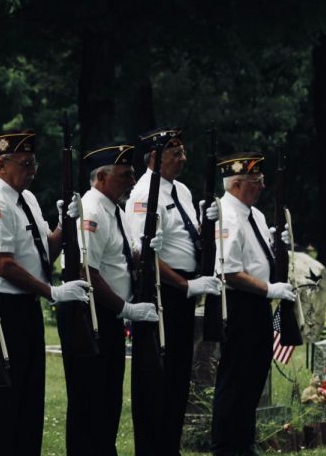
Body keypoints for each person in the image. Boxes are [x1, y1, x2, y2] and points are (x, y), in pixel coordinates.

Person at [0, 129, 89, 456]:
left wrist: (63, 224)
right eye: (25, 164)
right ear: (1, 164)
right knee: (7, 402)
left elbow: (44, 254)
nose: (33, 170)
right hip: (5, 309)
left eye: (34, 163)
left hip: (26, 306)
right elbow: (4, 265)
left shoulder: (24, 197)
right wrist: (52, 292)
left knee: (29, 399)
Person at [124, 128, 222, 456]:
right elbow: (143, 255)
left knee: (179, 375)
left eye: (182, 151)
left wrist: (210, 224)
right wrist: (183, 284)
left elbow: (189, 237)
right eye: (175, 153)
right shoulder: (142, 194)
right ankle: (151, 448)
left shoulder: (180, 190)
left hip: (184, 291)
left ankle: (169, 446)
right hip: (160, 291)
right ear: (155, 157)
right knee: (155, 376)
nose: (183, 159)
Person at [60, 143, 158, 456]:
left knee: (108, 396)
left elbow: (120, 257)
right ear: (101, 177)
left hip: (110, 314)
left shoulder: (114, 209)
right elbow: (87, 271)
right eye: (124, 175)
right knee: (90, 398)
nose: (132, 181)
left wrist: (145, 251)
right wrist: (125, 308)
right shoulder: (92, 210)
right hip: (92, 314)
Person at [207, 153, 296, 456]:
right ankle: (225, 445)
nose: (262, 186)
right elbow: (229, 271)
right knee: (235, 378)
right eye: (255, 182)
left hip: (257, 304)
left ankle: (244, 442)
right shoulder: (228, 215)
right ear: (236, 185)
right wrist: (270, 288)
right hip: (239, 303)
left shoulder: (253, 214)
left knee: (254, 376)